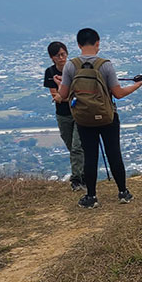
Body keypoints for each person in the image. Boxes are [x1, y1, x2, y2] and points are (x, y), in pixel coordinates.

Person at [57, 28, 142, 208]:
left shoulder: (71, 66)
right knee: (114, 153)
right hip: (107, 117)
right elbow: (118, 93)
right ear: (97, 43)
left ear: (78, 44)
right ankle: (123, 192)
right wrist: (139, 84)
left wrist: (60, 82)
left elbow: (63, 94)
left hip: (83, 119)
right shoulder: (104, 65)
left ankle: (91, 197)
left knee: (90, 157)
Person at [42, 41, 84, 190]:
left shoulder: (74, 68)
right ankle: (83, 174)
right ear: (52, 57)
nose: (61, 58)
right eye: (57, 55)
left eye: (63, 54)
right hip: (63, 114)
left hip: (79, 112)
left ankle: (77, 179)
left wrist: (63, 95)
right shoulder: (50, 72)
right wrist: (67, 95)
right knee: (70, 146)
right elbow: (56, 96)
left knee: (77, 146)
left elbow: (63, 96)